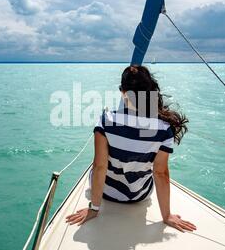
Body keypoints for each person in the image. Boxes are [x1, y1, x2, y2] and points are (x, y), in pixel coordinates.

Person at [66, 65, 196, 233]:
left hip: (107, 193)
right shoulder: (164, 128)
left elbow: (100, 167)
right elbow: (160, 173)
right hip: (138, 196)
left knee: (96, 168)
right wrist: (167, 216)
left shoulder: (106, 120)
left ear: (123, 91)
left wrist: (94, 208)